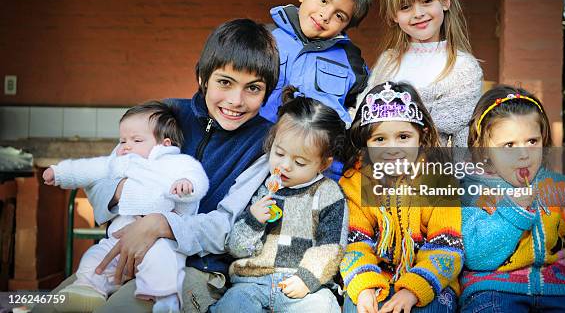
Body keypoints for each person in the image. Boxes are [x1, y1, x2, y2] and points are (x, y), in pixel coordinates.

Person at [32, 18, 280, 313]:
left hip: (195, 269)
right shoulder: (165, 114)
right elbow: (103, 181)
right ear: (202, 77)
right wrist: (130, 196)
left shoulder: (263, 143)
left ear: (267, 92)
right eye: (225, 82)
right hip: (124, 250)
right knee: (48, 309)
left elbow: (231, 226)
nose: (236, 100)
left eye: (253, 88)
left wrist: (162, 225)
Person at [42, 101, 208, 313]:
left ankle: (163, 298)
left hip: (159, 239)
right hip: (118, 240)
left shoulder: (176, 163)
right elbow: (91, 169)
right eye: (122, 140)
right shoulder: (122, 160)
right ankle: (87, 290)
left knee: (163, 260)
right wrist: (61, 173)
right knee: (94, 257)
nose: (126, 146)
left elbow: (197, 177)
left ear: (165, 144)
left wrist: (187, 185)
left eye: (136, 140)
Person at [460, 85, 565, 313]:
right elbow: (476, 255)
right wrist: (512, 210)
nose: (523, 154)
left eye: (532, 141)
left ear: (544, 139)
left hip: (563, 290)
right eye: (508, 145)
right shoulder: (472, 193)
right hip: (493, 291)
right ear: (484, 150)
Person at [210, 86, 348, 313]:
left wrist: (308, 278)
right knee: (233, 304)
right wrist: (253, 220)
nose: (284, 165)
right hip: (252, 281)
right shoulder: (263, 187)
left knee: (323, 306)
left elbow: (332, 246)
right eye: (279, 153)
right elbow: (236, 248)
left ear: (323, 164)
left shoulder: (328, 193)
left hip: (303, 286)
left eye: (300, 162)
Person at [358, 0, 482, 147]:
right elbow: (364, 115)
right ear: (393, 15)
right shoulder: (388, 61)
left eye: (427, 1)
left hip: (434, 174)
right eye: (405, 7)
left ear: (445, 1)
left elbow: (450, 129)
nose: (418, 14)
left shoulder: (463, 67)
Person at [340, 81, 463, 313]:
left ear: (422, 136)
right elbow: (354, 245)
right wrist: (364, 287)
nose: (392, 148)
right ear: (365, 143)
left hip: (429, 280)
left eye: (403, 136)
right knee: (356, 305)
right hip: (374, 278)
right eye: (379, 140)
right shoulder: (355, 183)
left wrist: (412, 290)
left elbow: (447, 248)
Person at [259, 0, 372, 128]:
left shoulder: (351, 62)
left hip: (318, 151)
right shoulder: (262, 38)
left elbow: (362, 114)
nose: (325, 16)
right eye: (323, 0)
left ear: (347, 24)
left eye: (339, 15)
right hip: (257, 149)